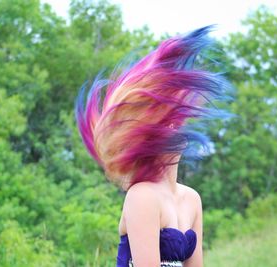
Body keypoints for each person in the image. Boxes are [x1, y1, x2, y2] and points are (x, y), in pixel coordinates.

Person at [74, 25, 233, 267]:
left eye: (174, 120)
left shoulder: (191, 199)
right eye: (165, 122)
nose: (175, 126)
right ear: (151, 139)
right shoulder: (142, 196)